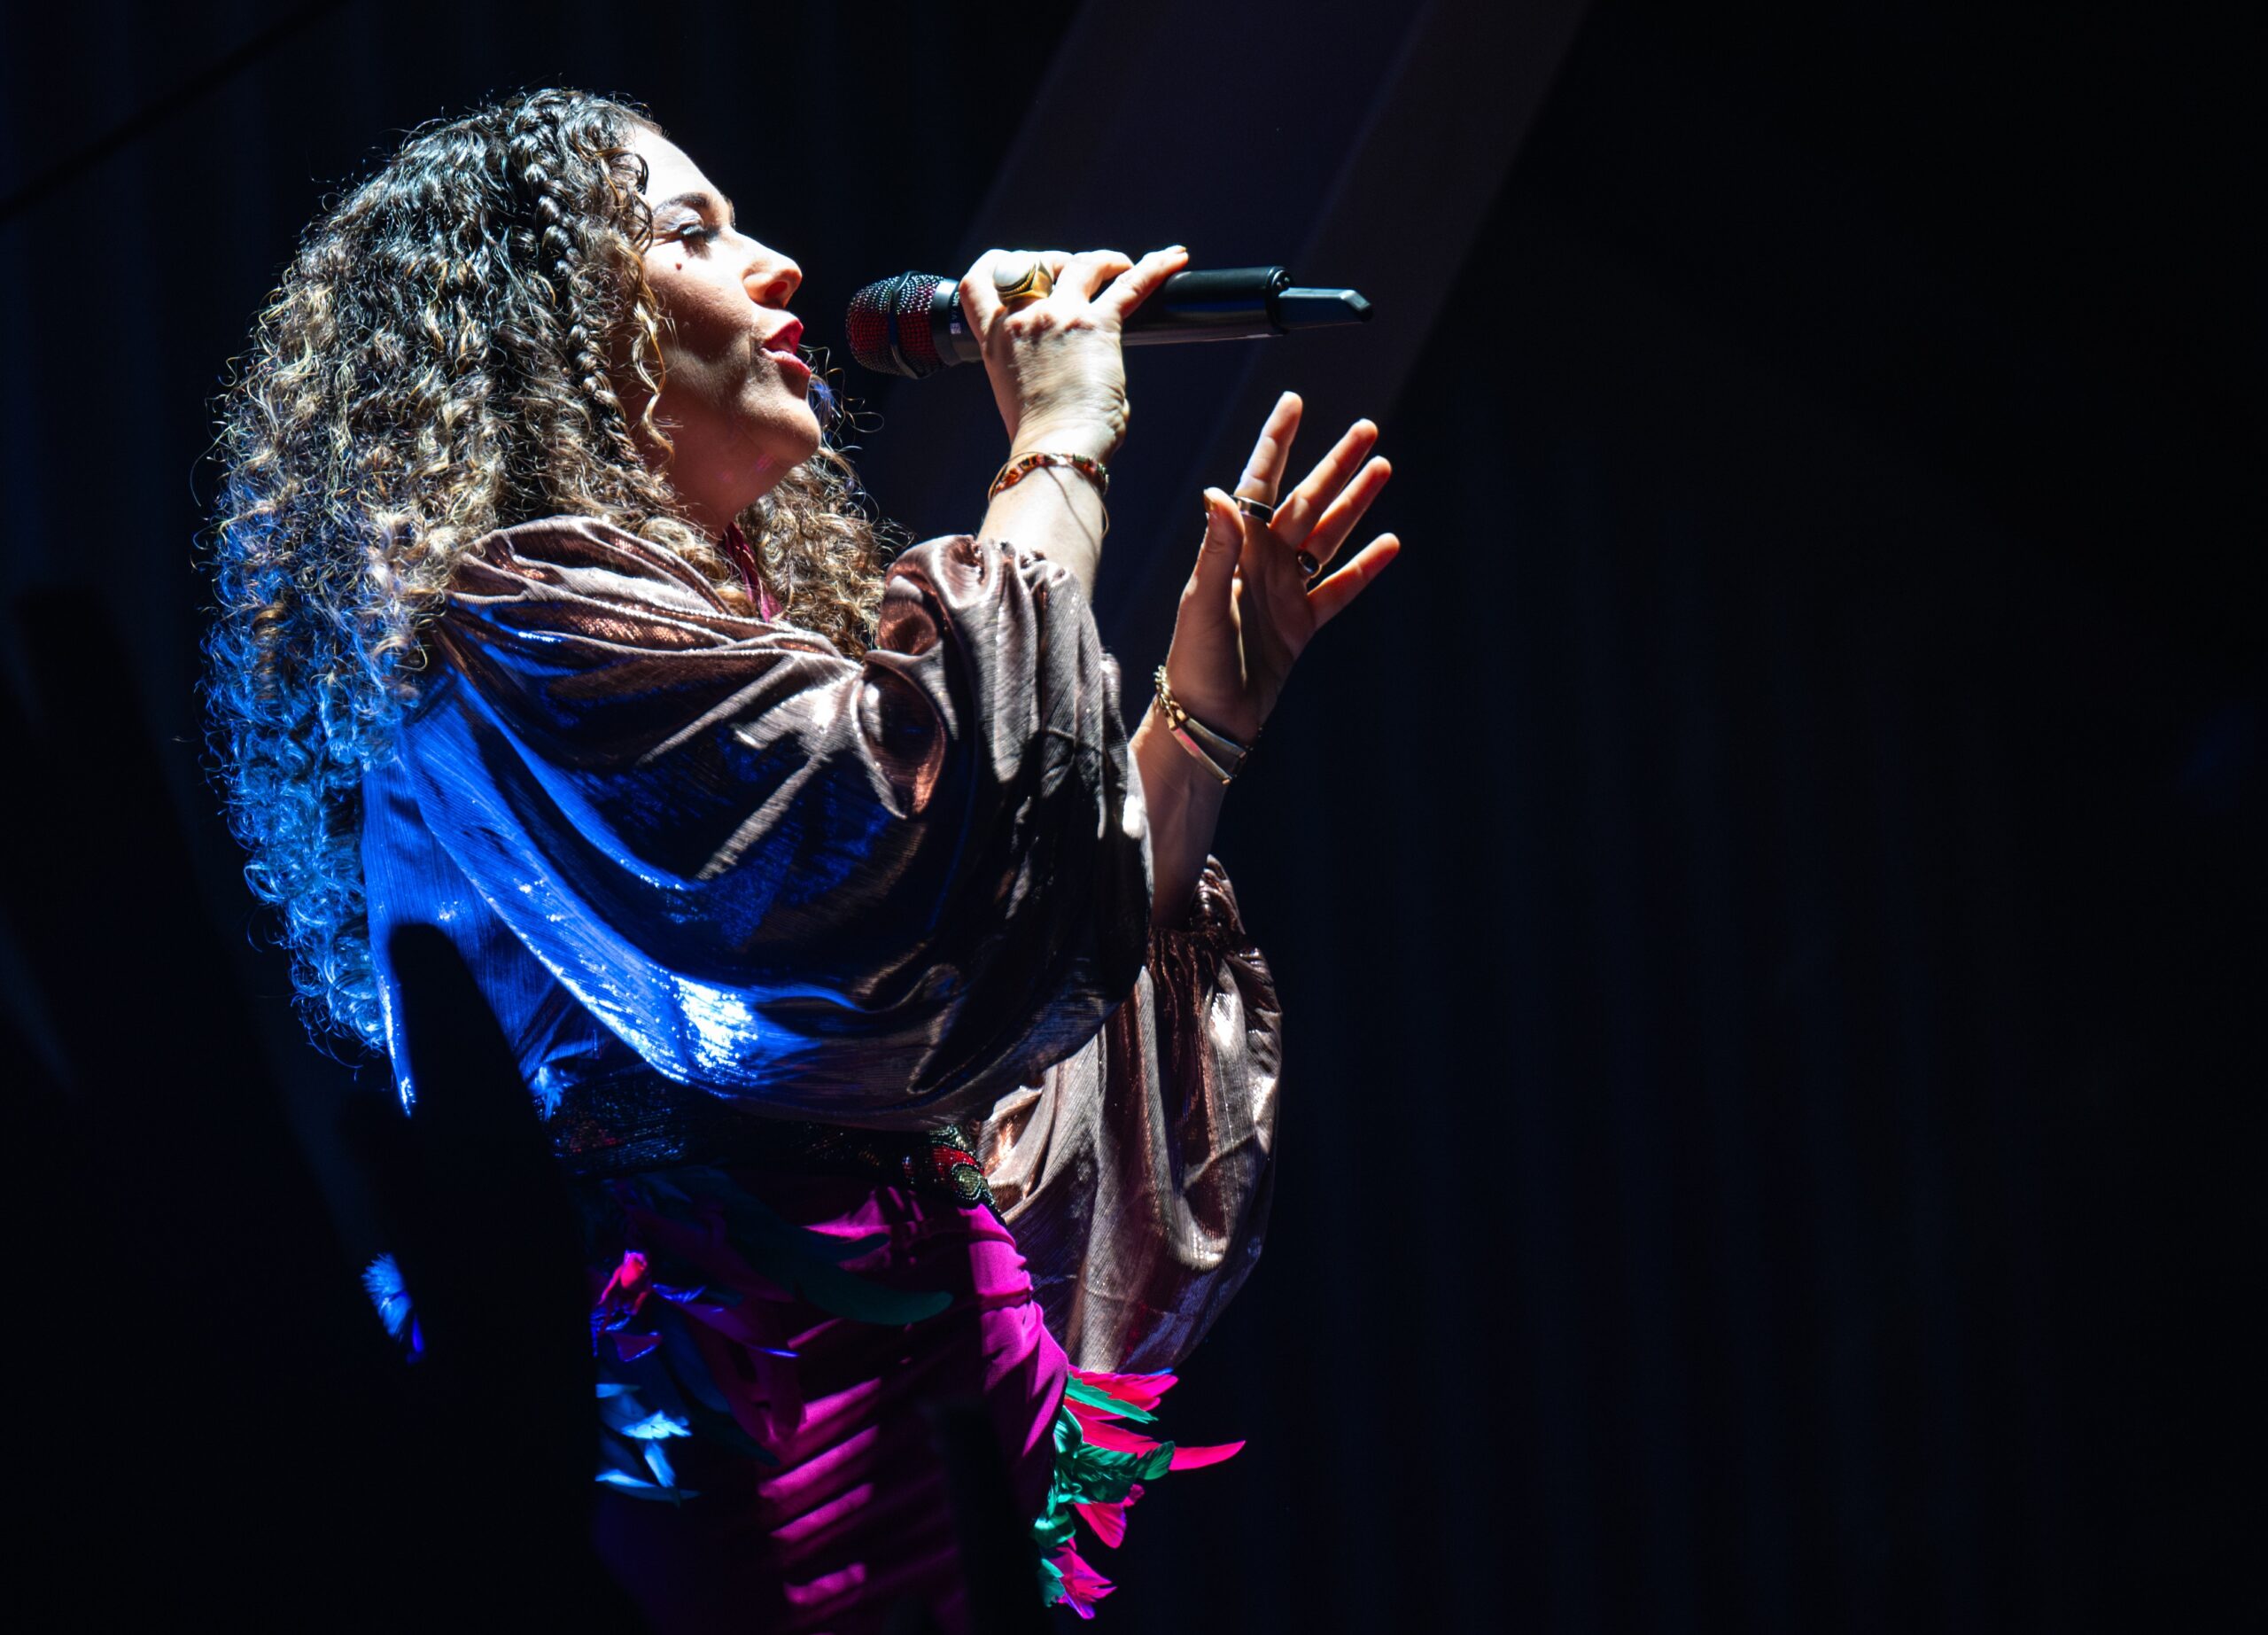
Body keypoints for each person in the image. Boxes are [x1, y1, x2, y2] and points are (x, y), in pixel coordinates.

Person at [206, 88, 1398, 1631]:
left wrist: (1201, 725)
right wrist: (1055, 446)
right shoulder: (508, 641)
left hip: (935, 1404)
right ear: (551, 335)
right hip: (741, 1436)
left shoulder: (721, 662)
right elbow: (902, 857)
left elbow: (979, 1003)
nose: (777, 267)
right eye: (692, 232)